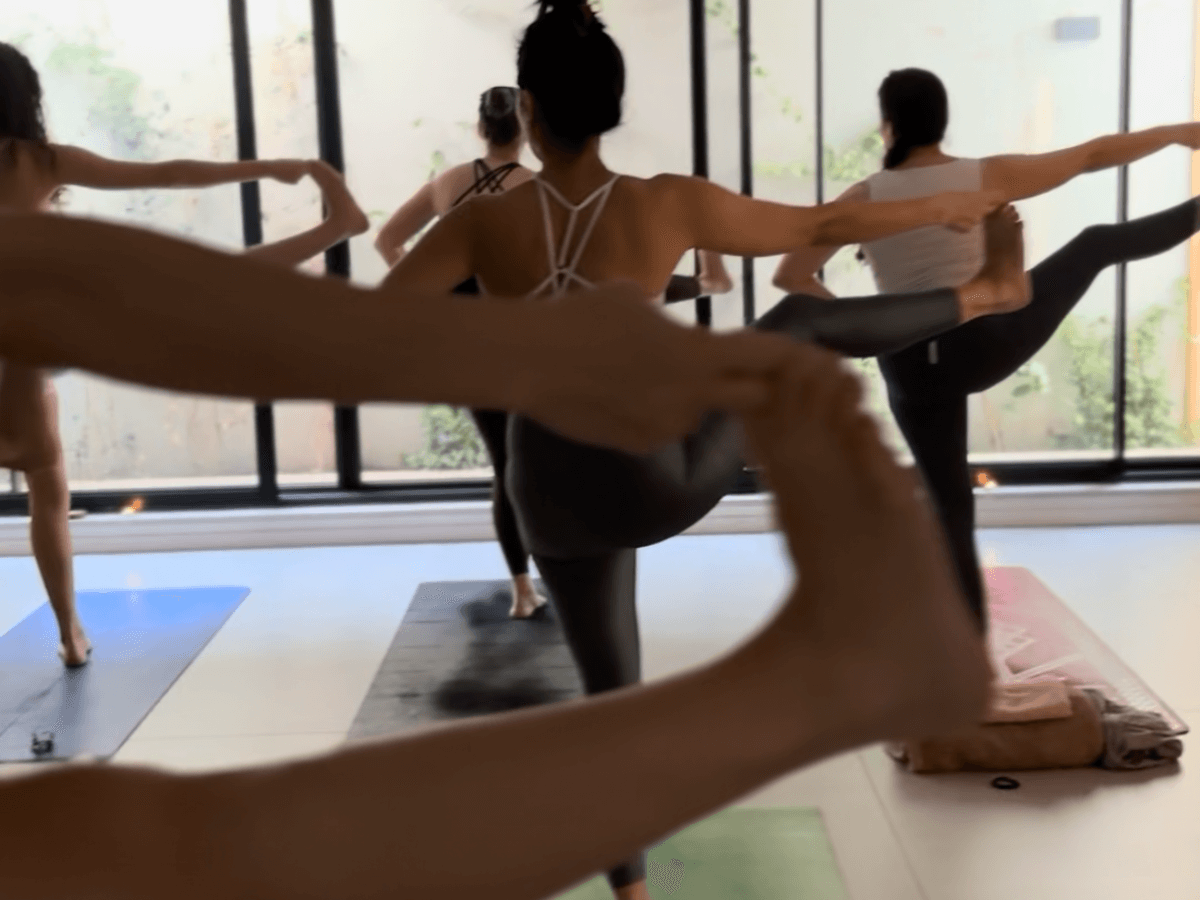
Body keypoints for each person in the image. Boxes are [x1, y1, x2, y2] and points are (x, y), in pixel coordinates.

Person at [382, 4, 1029, 896]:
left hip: (549, 492)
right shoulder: (664, 203)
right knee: (797, 322)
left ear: (526, 110)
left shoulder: (479, 222)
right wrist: (945, 204)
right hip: (653, 475)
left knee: (610, 702)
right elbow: (818, 230)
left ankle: (632, 891)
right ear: (611, 105)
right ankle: (987, 294)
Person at [1, 342, 995, 900]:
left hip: (542, 446)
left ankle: (766, 694)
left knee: (134, 838)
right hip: (563, 439)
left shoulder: (476, 211)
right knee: (144, 837)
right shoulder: (538, 208)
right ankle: (795, 689)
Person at [773, 66, 1200, 628]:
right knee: (1097, 243)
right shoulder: (984, 176)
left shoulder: (863, 198)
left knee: (949, 501)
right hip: (986, 342)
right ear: (941, 121)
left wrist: (875, 327)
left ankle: (969, 643)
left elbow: (791, 276)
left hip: (909, 362)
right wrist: (1174, 132)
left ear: (888, 125)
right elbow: (1091, 155)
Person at [0, 40, 366, 667]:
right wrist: (269, 166)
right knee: (48, 480)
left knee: (44, 472)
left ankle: (71, 631)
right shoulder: (41, 160)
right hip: (45, 329)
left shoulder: (43, 162)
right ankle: (69, 634)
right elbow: (170, 173)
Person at [376, 85, 733, 618]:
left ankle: (523, 590)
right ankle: (580, 570)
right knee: (559, 456)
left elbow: (387, 242)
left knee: (507, 465)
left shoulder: (445, 184)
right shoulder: (540, 191)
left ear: (480, 129)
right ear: (527, 132)